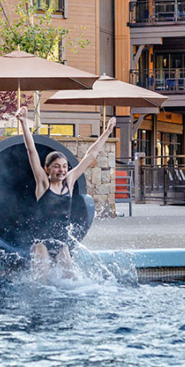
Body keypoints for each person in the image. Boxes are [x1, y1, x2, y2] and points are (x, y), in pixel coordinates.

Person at [15, 106, 116, 281]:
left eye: (64, 166)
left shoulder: (69, 182)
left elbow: (90, 155)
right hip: (41, 243)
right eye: (56, 166)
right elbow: (31, 151)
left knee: (73, 281)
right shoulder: (43, 183)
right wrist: (24, 123)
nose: (61, 170)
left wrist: (107, 131)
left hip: (62, 243)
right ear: (47, 169)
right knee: (43, 281)